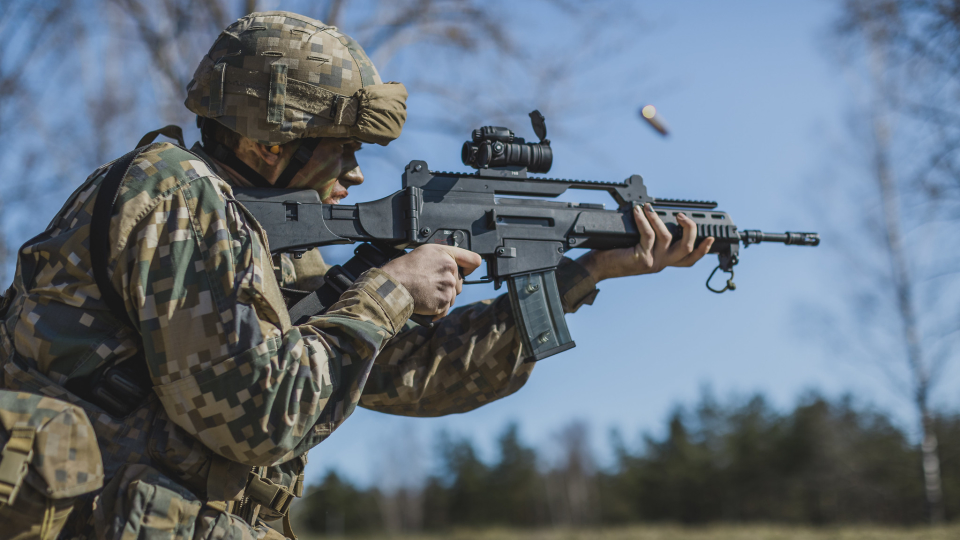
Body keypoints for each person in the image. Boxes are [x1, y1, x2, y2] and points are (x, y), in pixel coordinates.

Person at [0, 11, 714, 539]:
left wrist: (587, 273)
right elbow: (255, 418)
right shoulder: (175, 196)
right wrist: (391, 289)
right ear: (266, 141)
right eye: (340, 148)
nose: (355, 171)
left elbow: (413, 376)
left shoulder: (254, 235)